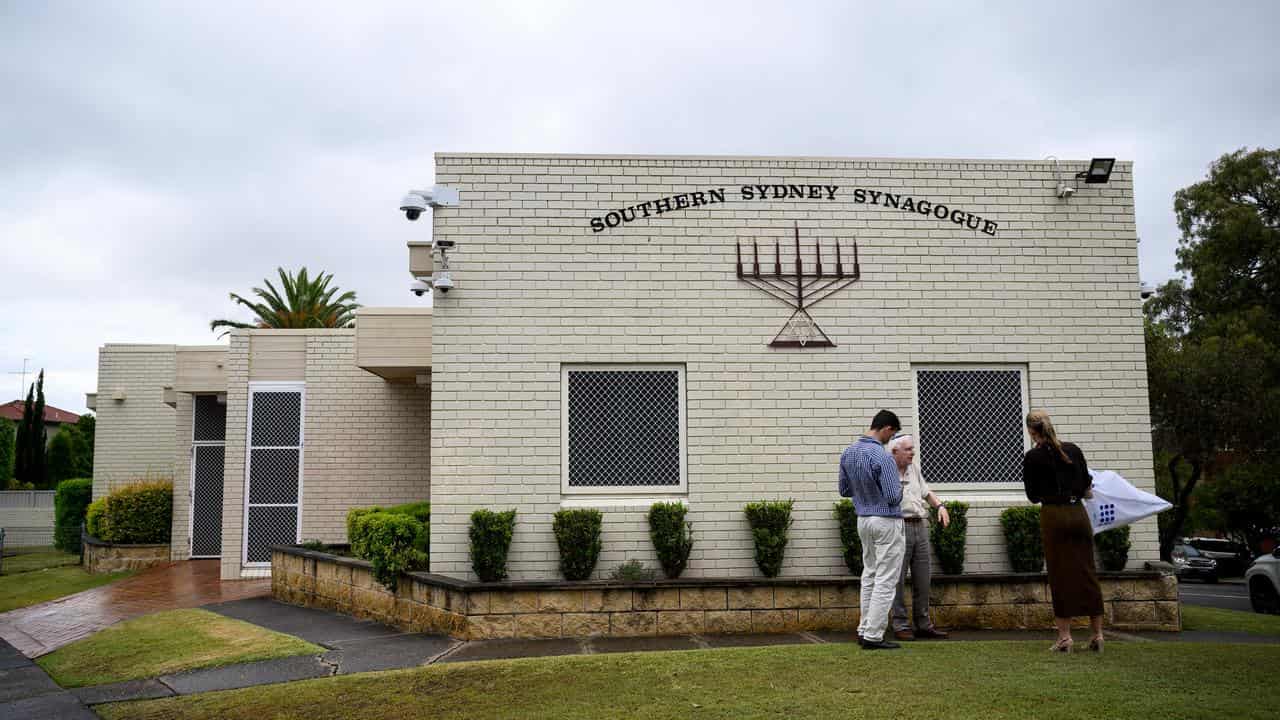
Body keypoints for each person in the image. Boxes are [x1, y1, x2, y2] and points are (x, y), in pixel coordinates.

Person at [1022, 409, 1105, 653]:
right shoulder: (1074, 450)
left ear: (1031, 431)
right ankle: (1098, 634)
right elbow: (1087, 486)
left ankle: (1065, 637)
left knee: (1060, 576)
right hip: (1078, 513)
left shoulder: (1032, 458)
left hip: (1053, 515)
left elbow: (1032, 496)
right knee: (1087, 572)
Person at [838, 409, 905, 650]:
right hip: (885, 520)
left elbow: (844, 491)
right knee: (886, 579)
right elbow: (892, 496)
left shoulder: (848, 452)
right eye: (893, 433)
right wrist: (902, 487)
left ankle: (864, 628)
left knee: (870, 575)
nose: (892, 438)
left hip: (863, 518)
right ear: (886, 428)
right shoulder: (882, 456)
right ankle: (874, 635)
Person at [887, 434, 950, 640]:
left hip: (919, 526)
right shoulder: (886, 472)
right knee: (897, 580)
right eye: (908, 449)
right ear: (895, 451)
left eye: (912, 449)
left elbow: (926, 492)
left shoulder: (914, 469)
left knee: (923, 578)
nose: (913, 452)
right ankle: (900, 625)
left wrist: (940, 506)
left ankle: (923, 624)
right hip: (899, 527)